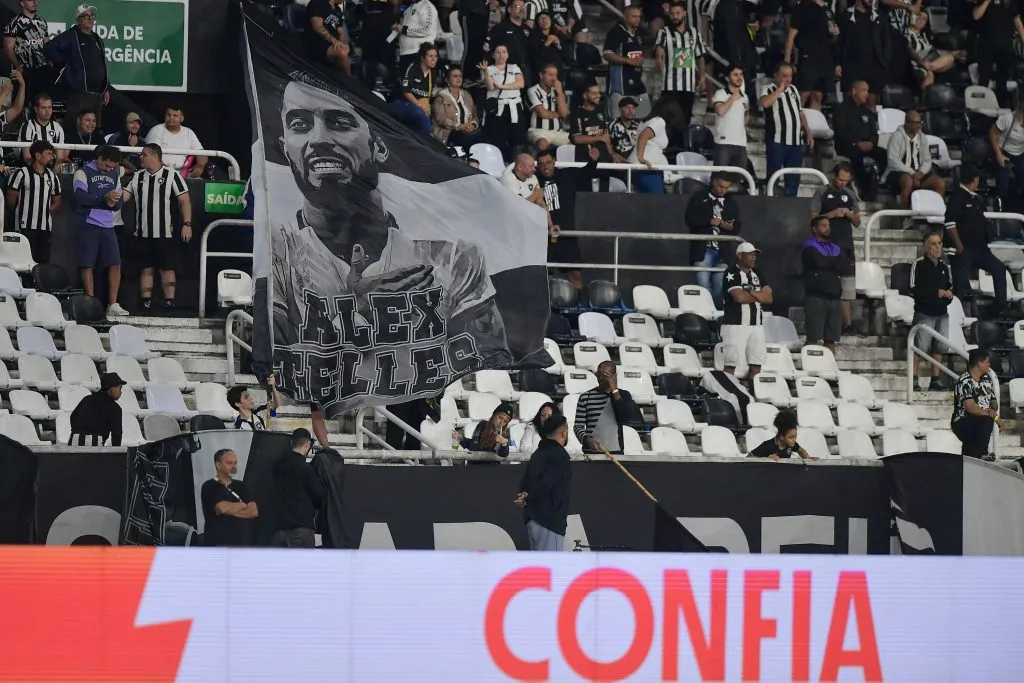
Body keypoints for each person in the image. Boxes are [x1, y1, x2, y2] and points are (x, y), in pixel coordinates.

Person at [269, 73, 513, 413]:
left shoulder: (454, 258)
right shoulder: (274, 255)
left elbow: (488, 359)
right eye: (299, 124)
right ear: (285, 149)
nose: (319, 139)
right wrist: (358, 309)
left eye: (339, 123)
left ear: (379, 145)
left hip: (413, 419)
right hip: (329, 425)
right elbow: (281, 371)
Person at [120, 143, 192, 312]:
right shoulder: (137, 176)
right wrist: (110, 195)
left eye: (144, 154)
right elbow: (124, 197)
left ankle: (169, 301)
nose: (141, 157)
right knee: (146, 268)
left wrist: (187, 224)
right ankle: (146, 301)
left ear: (155, 156)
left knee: (167, 267)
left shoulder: (172, 175)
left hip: (165, 232)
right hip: (143, 233)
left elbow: (185, 200)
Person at [945, 165, 1008, 315]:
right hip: (964, 249)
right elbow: (949, 224)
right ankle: (957, 316)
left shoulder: (976, 198)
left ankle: (996, 309)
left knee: (999, 268)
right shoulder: (957, 197)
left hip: (980, 248)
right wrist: (960, 247)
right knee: (961, 287)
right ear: (974, 179)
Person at [74, 145, 128, 317]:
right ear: (99, 158)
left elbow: (119, 203)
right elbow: (80, 197)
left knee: (115, 264)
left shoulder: (114, 174)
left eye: (113, 166)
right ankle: (90, 301)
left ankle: (112, 303)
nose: (109, 169)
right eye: (106, 165)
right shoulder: (82, 172)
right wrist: (103, 198)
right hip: (88, 222)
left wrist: (112, 203)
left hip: (108, 225)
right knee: (87, 263)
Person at [536, 145, 598, 296]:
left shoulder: (567, 175)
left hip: (566, 232)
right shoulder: (534, 179)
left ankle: (578, 309)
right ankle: (544, 311)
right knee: (545, 275)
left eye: (548, 162)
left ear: (555, 161)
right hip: (543, 236)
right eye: (542, 164)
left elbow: (587, 172)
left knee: (575, 274)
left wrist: (593, 160)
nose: (545, 167)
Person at [809, 163, 861, 334]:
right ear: (833, 176)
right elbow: (812, 219)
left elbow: (858, 222)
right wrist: (832, 214)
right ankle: (830, 324)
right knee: (830, 286)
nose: (842, 183)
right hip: (827, 246)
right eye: (839, 179)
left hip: (846, 246)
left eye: (846, 180)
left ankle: (848, 324)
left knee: (847, 288)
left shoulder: (851, 194)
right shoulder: (822, 192)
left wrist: (850, 215)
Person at [44, 4, 109, 127]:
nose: (90, 19)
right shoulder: (71, 36)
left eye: (92, 16)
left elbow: (101, 64)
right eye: (86, 16)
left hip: (97, 95)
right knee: (75, 128)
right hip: (78, 94)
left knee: (94, 130)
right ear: (78, 20)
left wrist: (106, 87)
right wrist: (65, 63)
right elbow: (48, 48)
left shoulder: (97, 38)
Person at [515, 414, 572, 550]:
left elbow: (525, 483)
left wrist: (524, 495)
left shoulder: (537, 454)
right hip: (550, 521)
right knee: (551, 568)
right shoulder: (560, 456)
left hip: (532, 518)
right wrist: (529, 496)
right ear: (564, 433)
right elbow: (547, 483)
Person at [685, 172, 741, 303]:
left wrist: (729, 226)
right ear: (714, 182)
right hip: (703, 251)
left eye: (727, 188)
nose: (723, 190)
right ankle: (703, 316)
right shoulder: (699, 197)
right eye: (721, 186)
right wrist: (709, 221)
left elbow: (737, 226)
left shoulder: (730, 201)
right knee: (703, 287)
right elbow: (690, 220)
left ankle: (715, 318)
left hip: (722, 252)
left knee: (719, 290)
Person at [760, 62, 813, 198]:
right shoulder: (768, 88)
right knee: (773, 176)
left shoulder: (794, 90)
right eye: (784, 76)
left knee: (793, 179)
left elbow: (800, 113)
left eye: (790, 76)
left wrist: (808, 132)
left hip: (795, 142)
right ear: (775, 75)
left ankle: (790, 206)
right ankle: (770, 203)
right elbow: (765, 103)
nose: (787, 79)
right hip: (777, 140)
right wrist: (780, 90)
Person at [801, 215, 852, 352]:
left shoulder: (835, 247)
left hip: (834, 298)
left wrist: (827, 262)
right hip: (816, 297)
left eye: (828, 225)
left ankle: (830, 367)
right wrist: (833, 261)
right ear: (814, 229)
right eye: (823, 225)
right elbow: (818, 262)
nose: (827, 228)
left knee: (831, 339)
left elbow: (844, 265)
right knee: (813, 337)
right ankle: (809, 366)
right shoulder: (809, 245)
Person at [910, 232, 954, 391]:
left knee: (940, 347)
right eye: (933, 244)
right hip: (924, 312)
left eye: (939, 243)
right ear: (926, 246)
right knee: (920, 347)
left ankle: (935, 379)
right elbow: (913, 288)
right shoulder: (919, 264)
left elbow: (950, 287)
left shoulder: (944, 267)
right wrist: (935, 293)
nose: (937, 247)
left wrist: (949, 295)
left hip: (942, 313)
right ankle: (914, 378)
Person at [6, 140, 61, 264]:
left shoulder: (53, 177)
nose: (51, 157)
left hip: (45, 228)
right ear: (37, 155)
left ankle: (38, 284)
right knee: (23, 262)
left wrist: (43, 212)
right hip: (24, 226)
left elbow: (57, 202)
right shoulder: (21, 174)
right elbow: (10, 201)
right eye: (48, 153)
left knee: (43, 262)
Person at [654, 2, 706, 133]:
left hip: (688, 87)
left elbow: (699, 56)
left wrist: (703, 76)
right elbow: (659, 49)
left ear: (684, 13)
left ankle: (681, 149)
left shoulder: (694, 33)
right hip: (670, 86)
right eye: (672, 14)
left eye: (677, 13)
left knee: (685, 119)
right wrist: (659, 59)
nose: (674, 16)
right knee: (667, 120)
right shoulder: (664, 32)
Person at [722, 242, 771, 379]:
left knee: (757, 365)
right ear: (739, 255)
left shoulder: (758, 273)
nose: (753, 257)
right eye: (749, 254)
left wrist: (751, 293)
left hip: (756, 325)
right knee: (731, 364)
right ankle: (728, 394)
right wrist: (758, 294)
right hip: (735, 324)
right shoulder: (731, 272)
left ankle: (755, 396)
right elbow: (739, 297)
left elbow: (769, 298)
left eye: (754, 254)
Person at [831, 80, 885, 200]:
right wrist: (857, 143)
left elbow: (874, 133)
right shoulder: (841, 109)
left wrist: (871, 142)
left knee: (883, 154)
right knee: (856, 154)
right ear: (854, 91)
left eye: (867, 90)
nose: (867, 93)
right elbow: (841, 132)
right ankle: (860, 187)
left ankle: (877, 181)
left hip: (867, 146)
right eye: (863, 90)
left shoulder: (867, 111)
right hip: (847, 146)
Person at [272, 428, 324, 547]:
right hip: (301, 529)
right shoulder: (306, 469)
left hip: (279, 528)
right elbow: (319, 497)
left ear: (291, 443)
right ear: (307, 445)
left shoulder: (277, 466)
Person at [784, 0, 839, 110]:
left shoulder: (828, 10)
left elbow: (832, 39)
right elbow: (791, 36)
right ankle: (794, 122)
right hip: (808, 57)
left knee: (818, 96)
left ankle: (812, 125)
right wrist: (786, 61)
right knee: (803, 95)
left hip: (825, 59)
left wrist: (835, 34)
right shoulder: (803, 7)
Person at [884, 109, 944, 208]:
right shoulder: (896, 137)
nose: (918, 125)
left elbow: (927, 160)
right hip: (899, 172)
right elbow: (893, 161)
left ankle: (938, 213)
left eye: (919, 122)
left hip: (918, 173)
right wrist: (912, 173)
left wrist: (920, 173)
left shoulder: (922, 137)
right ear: (907, 123)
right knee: (908, 182)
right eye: (915, 123)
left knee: (940, 183)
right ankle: (904, 217)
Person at [574, 360, 636, 455]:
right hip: (591, 452)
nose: (601, 378)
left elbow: (626, 417)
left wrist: (614, 390)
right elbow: (578, 426)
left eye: (605, 376)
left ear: (614, 377)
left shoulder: (624, 395)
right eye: (598, 374)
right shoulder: (585, 397)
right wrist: (587, 440)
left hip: (615, 452)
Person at [837, 0, 892, 107]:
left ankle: (871, 124)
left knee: (871, 103)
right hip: (852, 67)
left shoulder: (880, 16)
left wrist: (884, 64)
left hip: (874, 67)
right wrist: (837, 63)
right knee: (851, 103)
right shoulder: (846, 16)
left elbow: (886, 42)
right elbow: (840, 42)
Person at [200, 449, 259, 547]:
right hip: (218, 545)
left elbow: (253, 511)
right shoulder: (209, 486)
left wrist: (230, 510)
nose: (234, 466)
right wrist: (242, 505)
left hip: (241, 545)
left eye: (235, 463)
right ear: (218, 465)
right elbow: (222, 508)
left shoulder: (242, 486)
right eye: (229, 463)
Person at [971, 0, 1024, 107]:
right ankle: (981, 109)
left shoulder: (1010, 3)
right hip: (987, 45)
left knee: (1002, 80)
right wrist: (986, 2)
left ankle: (1001, 109)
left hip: (1005, 46)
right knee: (984, 78)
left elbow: (1018, 23)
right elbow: (976, 16)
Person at [629, 97, 687, 194]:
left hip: (648, 167)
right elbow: (644, 136)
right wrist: (640, 157)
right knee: (656, 199)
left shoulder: (648, 121)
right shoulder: (659, 121)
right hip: (643, 168)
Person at [480, 44, 527, 159]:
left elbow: (520, 84)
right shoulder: (489, 69)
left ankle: (516, 162)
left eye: (504, 52)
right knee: (498, 138)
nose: (501, 55)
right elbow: (491, 87)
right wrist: (485, 72)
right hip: (497, 107)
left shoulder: (514, 67)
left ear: (508, 55)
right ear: (493, 55)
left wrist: (501, 86)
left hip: (514, 106)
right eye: (498, 52)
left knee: (517, 137)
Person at [952, 348, 999, 460]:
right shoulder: (965, 381)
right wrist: (990, 413)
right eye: (987, 362)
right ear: (979, 364)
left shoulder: (987, 379)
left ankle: (967, 462)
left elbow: (993, 400)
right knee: (986, 419)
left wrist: (993, 407)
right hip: (963, 420)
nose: (989, 364)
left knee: (970, 452)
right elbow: (971, 408)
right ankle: (982, 453)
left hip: (980, 420)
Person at [603, 5, 649, 118]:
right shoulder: (616, 32)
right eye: (634, 16)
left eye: (639, 17)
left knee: (644, 115)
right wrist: (628, 61)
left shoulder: (637, 33)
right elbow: (607, 53)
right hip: (620, 84)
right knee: (618, 119)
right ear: (625, 17)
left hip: (637, 82)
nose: (637, 19)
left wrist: (640, 59)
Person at [3, 0, 53, 103]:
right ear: (22, 3)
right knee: (23, 102)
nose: (35, 2)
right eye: (31, 0)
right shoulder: (14, 22)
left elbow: (46, 42)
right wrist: (18, 66)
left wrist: (49, 61)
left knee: (42, 102)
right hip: (24, 71)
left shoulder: (42, 21)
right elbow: (8, 47)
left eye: (36, 0)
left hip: (41, 70)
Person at [144, 105, 207, 178]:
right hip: (158, 173)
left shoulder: (189, 132)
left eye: (175, 115)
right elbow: (152, 156)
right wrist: (168, 173)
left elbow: (202, 153)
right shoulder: (156, 130)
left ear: (182, 118)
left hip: (183, 174)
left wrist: (200, 165)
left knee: (199, 181)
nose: (171, 118)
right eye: (168, 115)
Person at [905, 12, 962, 89]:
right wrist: (921, 62)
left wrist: (954, 53)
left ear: (925, 24)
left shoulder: (925, 36)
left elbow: (934, 51)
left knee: (950, 60)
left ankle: (925, 69)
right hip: (916, 60)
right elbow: (909, 49)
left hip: (929, 60)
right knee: (933, 72)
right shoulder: (905, 33)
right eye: (918, 16)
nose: (920, 19)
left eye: (924, 19)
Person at [394, 42, 440, 136]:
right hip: (403, 104)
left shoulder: (433, 74)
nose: (434, 59)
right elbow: (406, 91)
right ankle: (430, 140)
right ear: (423, 58)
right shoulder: (413, 68)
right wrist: (420, 105)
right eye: (430, 56)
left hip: (419, 107)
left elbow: (427, 96)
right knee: (420, 113)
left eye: (435, 56)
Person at [483, 0, 532, 86]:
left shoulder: (528, 30)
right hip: (505, 75)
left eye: (523, 7)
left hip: (526, 75)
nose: (522, 9)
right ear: (509, 10)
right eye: (517, 7)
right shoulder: (499, 28)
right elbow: (487, 50)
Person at [68, 372, 124, 446]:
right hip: (94, 443)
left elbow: (73, 416)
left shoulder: (87, 399)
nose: (121, 392)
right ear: (111, 389)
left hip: (74, 439)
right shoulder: (115, 408)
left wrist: (78, 431)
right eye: (120, 388)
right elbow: (117, 433)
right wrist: (117, 453)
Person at [432, 65, 483, 147]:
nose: (459, 79)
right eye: (455, 76)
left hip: (467, 130)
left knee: (482, 136)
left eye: (460, 76)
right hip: (450, 131)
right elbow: (441, 119)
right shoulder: (441, 97)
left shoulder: (466, 95)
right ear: (447, 80)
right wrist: (459, 126)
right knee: (467, 139)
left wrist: (473, 125)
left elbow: (475, 115)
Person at [711, 64, 749, 170]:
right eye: (735, 75)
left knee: (738, 177)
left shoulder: (745, 97)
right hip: (724, 143)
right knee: (719, 176)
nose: (739, 77)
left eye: (741, 74)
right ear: (728, 78)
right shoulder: (720, 94)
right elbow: (720, 111)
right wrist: (733, 97)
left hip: (741, 143)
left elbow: (746, 114)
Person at [526, 63, 570, 148]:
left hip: (558, 132)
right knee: (542, 143)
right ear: (541, 75)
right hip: (538, 131)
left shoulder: (558, 91)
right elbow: (543, 114)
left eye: (555, 75)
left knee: (574, 142)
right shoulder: (532, 91)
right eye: (550, 75)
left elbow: (564, 114)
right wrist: (558, 113)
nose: (553, 78)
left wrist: (560, 93)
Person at [569, 83, 615, 162]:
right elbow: (577, 138)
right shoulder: (577, 114)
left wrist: (612, 155)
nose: (598, 96)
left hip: (604, 157)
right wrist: (600, 138)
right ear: (585, 95)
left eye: (599, 93)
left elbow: (606, 137)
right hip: (586, 157)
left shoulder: (602, 111)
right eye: (594, 93)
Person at [18, 94, 66, 168]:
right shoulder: (28, 126)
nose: (47, 111)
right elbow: (27, 157)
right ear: (36, 109)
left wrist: (52, 176)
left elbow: (60, 158)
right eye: (43, 107)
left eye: (49, 107)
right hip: (30, 170)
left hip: (51, 170)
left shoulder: (57, 128)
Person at [748, 409, 817, 460]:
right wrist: (765, 459)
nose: (794, 440)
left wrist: (808, 459)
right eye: (790, 437)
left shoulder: (791, 444)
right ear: (781, 436)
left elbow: (801, 450)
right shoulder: (768, 446)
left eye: (795, 436)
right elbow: (748, 458)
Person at [395, 0, 440, 75]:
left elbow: (428, 29)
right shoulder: (411, 7)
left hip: (418, 53)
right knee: (406, 84)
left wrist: (404, 30)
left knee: (417, 84)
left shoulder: (427, 6)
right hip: (405, 52)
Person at [990, 104, 1024, 202]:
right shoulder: (1008, 118)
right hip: (1003, 151)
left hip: (1020, 153)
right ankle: (1001, 203)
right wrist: (998, 154)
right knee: (1003, 176)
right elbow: (992, 133)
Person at [307, 0, 351, 75]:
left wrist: (343, 44)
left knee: (345, 50)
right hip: (318, 44)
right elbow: (318, 27)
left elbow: (341, 31)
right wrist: (334, 41)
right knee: (342, 52)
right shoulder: (317, 3)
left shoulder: (337, 9)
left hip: (331, 45)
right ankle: (348, 78)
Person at [528, 14, 565, 82]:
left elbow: (567, 58)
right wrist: (546, 43)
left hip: (557, 75)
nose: (544, 20)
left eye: (547, 18)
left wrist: (559, 46)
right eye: (541, 18)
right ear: (537, 23)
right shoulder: (533, 37)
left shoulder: (558, 36)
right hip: (541, 76)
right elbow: (534, 59)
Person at [609, 96, 641, 161]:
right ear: (620, 110)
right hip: (618, 164)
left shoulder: (639, 125)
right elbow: (607, 145)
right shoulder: (612, 125)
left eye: (633, 108)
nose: (630, 111)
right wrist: (613, 155)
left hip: (636, 161)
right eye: (627, 108)